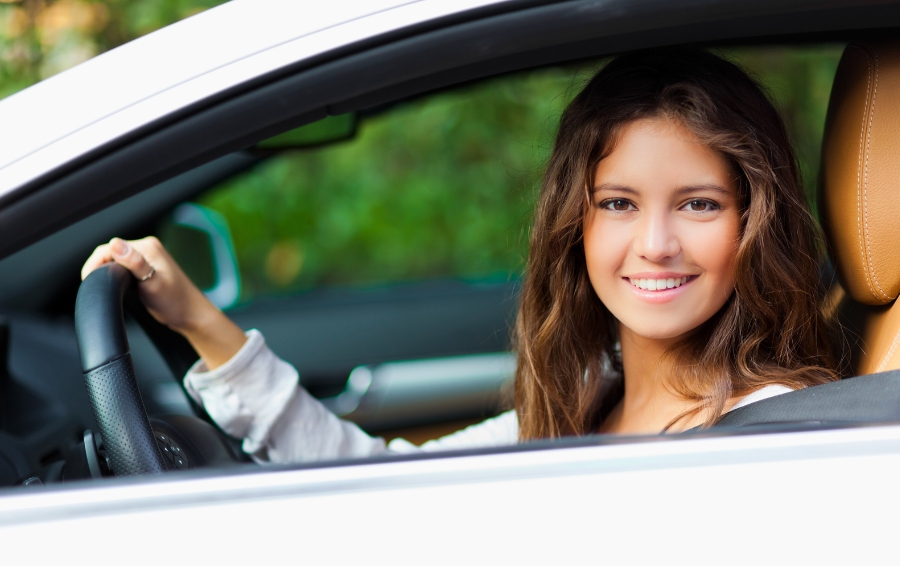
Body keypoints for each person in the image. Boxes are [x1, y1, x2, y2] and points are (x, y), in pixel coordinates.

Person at [81, 48, 837, 463]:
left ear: (755, 222)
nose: (655, 244)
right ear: (573, 225)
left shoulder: (766, 436)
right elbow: (375, 484)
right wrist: (197, 320)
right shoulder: (587, 397)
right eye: (618, 203)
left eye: (699, 203)